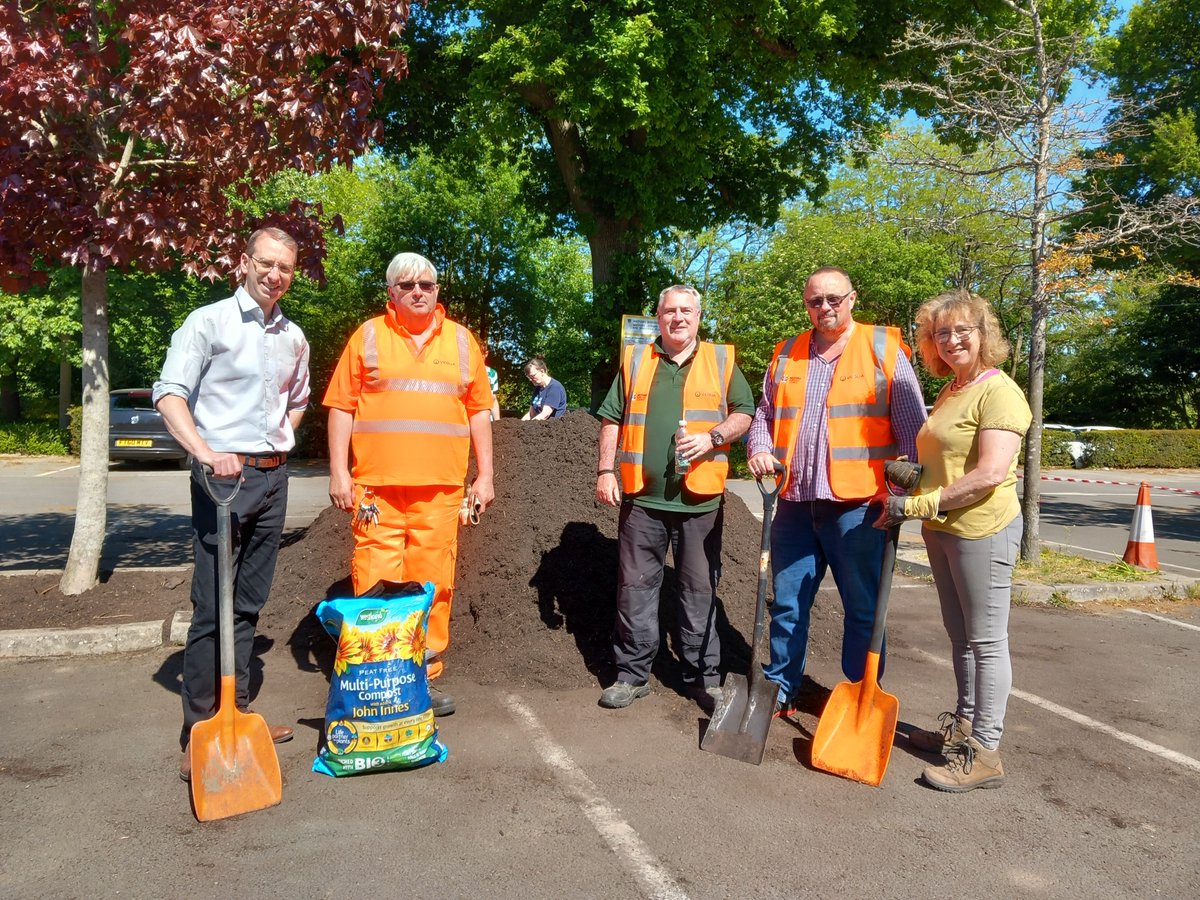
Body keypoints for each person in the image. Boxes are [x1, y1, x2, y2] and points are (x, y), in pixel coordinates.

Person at [153, 226, 311, 782]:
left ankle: (236, 712)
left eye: (285, 268)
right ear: (244, 262)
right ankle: (200, 728)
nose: (274, 275)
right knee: (211, 604)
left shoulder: (294, 336)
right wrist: (206, 451)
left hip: (272, 480)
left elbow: (297, 402)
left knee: (247, 602)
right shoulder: (209, 321)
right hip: (222, 479)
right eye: (265, 264)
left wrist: (276, 443)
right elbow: (169, 392)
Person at [746, 265, 926, 712]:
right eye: (814, 301)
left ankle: (859, 696)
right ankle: (781, 687)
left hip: (859, 508)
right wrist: (759, 449)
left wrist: (900, 494)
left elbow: (912, 430)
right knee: (786, 605)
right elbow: (764, 416)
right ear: (805, 304)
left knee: (863, 609)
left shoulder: (883, 349)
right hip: (793, 504)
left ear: (852, 299)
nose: (824, 307)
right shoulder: (787, 352)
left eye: (833, 298)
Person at [323, 252, 495, 717]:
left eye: (427, 284)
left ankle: (421, 676)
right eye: (407, 285)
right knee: (376, 582)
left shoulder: (462, 342)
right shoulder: (368, 337)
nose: (418, 291)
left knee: (433, 584)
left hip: (440, 492)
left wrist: (486, 474)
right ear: (391, 293)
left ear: (438, 290)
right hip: (375, 491)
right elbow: (341, 406)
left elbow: (479, 410)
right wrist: (339, 472)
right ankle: (378, 677)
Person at [875, 289, 1031, 792]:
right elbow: (948, 458)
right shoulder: (951, 390)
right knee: (960, 639)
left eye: (963, 330)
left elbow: (988, 474)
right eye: (941, 333)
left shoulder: (999, 391)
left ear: (984, 335)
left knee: (986, 642)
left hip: (981, 529)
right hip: (943, 529)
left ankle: (984, 752)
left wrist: (915, 504)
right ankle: (961, 731)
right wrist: (911, 479)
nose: (952, 340)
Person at [594, 285, 755, 710]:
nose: (678, 317)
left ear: (699, 316)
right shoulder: (636, 360)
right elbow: (612, 418)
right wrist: (605, 470)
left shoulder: (721, 361)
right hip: (642, 500)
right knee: (634, 588)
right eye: (670, 311)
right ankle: (632, 675)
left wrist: (714, 437)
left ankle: (703, 676)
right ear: (659, 316)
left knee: (698, 590)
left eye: (686, 310)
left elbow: (745, 412)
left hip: (699, 503)